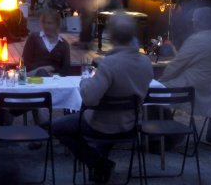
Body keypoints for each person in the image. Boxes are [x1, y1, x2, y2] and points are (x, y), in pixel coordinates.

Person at [53, 14, 153, 184]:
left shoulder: (109, 64)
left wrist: (85, 82)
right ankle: (99, 166)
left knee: (57, 126)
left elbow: (89, 99)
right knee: (106, 122)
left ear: (111, 37)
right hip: (131, 124)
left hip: (102, 126)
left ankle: (98, 163)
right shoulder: (145, 62)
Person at [158, 6, 211, 117]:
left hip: (191, 91)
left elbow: (176, 66)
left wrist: (160, 81)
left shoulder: (197, 40)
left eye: (193, 19)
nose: (192, 21)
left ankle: (167, 131)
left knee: (151, 92)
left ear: (197, 22)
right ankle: (170, 128)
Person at [21, 9, 71, 76]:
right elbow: (25, 62)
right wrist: (42, 69)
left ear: (57, 24)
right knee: (42, 72)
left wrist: (53, 73)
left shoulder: (63, 44)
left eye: (49, 23)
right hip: (34, 76)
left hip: (54, 78)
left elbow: (66, 69)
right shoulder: (34, 38)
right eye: (44, 23)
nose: (46, 26)